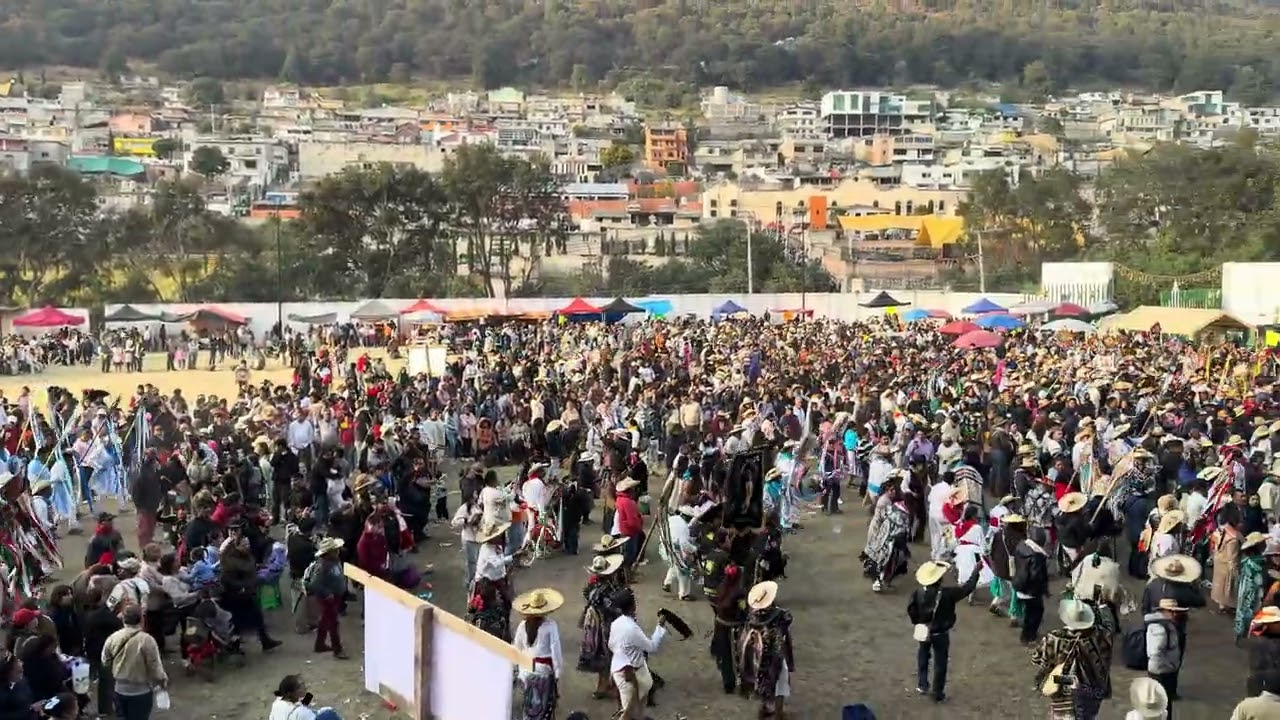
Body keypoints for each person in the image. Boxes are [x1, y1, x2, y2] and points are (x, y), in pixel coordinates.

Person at [907, 560, 981, 704]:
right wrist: (975, 572)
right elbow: (967, 588)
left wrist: (918, 623)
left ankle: (922, 684)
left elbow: (911, 610)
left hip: (924, 630)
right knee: (940, 663)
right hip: (940, 633)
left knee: (923, 655)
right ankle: (937, 693)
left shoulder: (917, 593)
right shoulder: (947, 594)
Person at [1031, 599, 1114, 719]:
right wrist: (1103, 608)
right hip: (1091, 689)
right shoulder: (1100, 636)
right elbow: (1110, 628)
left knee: (1062, 715)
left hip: (1061, 687)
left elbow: (1038, 660)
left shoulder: (1053, 638)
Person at [738, 580, 795, 718]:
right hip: (776, 653)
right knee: (780, 681)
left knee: (761, 678)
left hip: (758, 654)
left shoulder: (752, 617)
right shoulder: (779, 615)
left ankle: (763, 708)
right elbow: (788, 620)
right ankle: (779, 713)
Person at [608, 587, 668, 720]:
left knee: (632, 710)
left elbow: (611, 645)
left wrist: (624, 654)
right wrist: (660, 627)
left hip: (620, 670)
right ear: (633, 606)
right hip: (633, 674)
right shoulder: (632, 628)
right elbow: (651, 647)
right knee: (631, 713)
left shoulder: (616, 623)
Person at [101, 605, 167, 720]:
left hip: (119, 690)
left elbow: (105, 661)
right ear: (142, 619)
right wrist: (162, 681)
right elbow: (155, 667)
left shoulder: (113, 638)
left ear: (123, 619)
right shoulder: (147, 640)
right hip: (141, 692)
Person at [510, 588, 565, 720]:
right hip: (543, 671)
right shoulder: (551, 626)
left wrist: (514, 670)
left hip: (525, 671)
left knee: (529, 705)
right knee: (545, 705)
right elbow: (555, 650)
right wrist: (557, 673)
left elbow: (516, 648)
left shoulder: (522, 625)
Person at [578, 553, 626, 700]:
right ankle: (606, 686)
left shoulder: (593, 586)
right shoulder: (605, 590)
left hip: (595, 625)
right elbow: (612, 607)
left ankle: (604, 685)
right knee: (609, 654)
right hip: (605, 624)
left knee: (604, 655)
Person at [305, 537, 348, 659]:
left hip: (334, 596)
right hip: (327, 599)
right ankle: (337, 649)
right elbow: (314, 584)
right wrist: (327, 593)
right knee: (333, 623)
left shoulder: (335, 561)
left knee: (325, 621)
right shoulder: (323, 566)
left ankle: (319, 644)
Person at [1145, 598, 1187, 716]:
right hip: (1162, 671)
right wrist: (1168, 664)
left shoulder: (1164, 625)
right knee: (1163, 704)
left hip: (1161, 669)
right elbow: (1155, 650)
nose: (1175, 614)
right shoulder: (1161, 628)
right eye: (1172, 611)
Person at [1014, 526, 1051, 644]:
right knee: (1036, 613)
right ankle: (1029, 636)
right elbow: (1037, 576)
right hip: (1031, 589)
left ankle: (1027, 635)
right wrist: (1044, 589)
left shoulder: (1021, 547)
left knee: (1029, 612)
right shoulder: (1037, 556)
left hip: (1019, 584)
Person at [660, 506, 696, 601]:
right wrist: (694, 549)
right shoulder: (684, 526)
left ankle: (667, 582)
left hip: (665, 545)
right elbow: (684, 544)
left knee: (674, 565)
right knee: (684, 571)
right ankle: (684, 594)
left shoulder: (672, 519)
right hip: (676, 548)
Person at [268, 674, 343, 720]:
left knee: (308, 699)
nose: (304, 687)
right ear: (290, 693)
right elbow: (310, 714)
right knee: (329, 713)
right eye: (299, 687)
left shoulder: (277, 702)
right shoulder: (301, 712)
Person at [0, 651, 34, 720]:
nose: (21, 676)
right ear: (6, 673)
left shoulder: (22, 681)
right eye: (18, 672)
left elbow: (29, 698)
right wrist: (30, 710)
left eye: (22, 671)